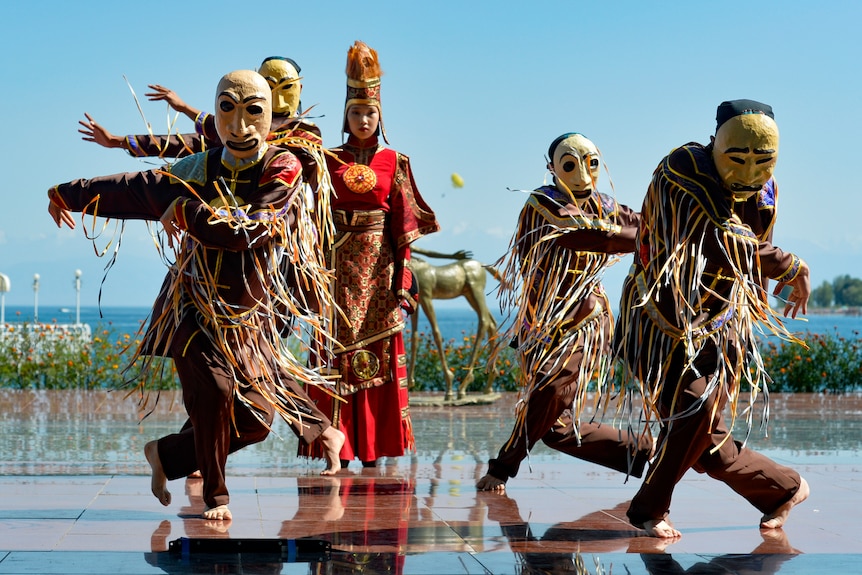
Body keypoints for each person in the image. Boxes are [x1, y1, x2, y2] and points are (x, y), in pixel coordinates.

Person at [48, 70, 345, 521]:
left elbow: (254, 229)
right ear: (216, 110)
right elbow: (133, 190)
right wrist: (64, 193)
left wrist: (186, 210)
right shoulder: (197, 168)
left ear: (268, 115)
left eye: (253, 111)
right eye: (227, 108)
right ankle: (217, 497)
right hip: (193, 305)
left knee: (255, 422)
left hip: (249, 316)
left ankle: (166, 456)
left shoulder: (283, 167)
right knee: (215, 393)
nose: (240, 123)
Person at [613, 99, 811, 538]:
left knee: (695, 414)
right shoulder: (683, 168)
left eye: (764, 159)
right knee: (706, 444)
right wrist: (790, 266)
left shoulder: (768, 190)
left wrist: (756, 300)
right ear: (716, 142)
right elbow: (722, 234)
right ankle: (784, 488)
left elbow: (753, 248)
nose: (750, 169)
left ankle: (648, 509)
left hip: (717, 326)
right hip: (656, 322)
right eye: (738, 156)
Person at [476, 133, 654, 492]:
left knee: (552, 392)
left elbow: (645, 223)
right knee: (555, 429)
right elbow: (589, 234)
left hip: (585, 325)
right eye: (569, 164)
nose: (582, 173)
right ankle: (644, 451)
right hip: (541, 325)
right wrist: (650, 238)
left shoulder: (606, 204)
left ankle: (502, 466)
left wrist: (673, 228)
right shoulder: (544, 203)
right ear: (552, 168)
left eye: (590, 162)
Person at [298, 41, 440, 468]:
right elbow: (309, 215)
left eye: (371, 113)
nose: (363, 120)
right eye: (356, 112)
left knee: (375, 356)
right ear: (346, 115)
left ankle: (373, 449)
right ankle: (333, 451)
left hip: (378, 274)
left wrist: (404, 283)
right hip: (333, 272)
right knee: (331, 357)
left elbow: (404, 231)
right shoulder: (325, 159)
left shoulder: (396, 161)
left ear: (381, 116)